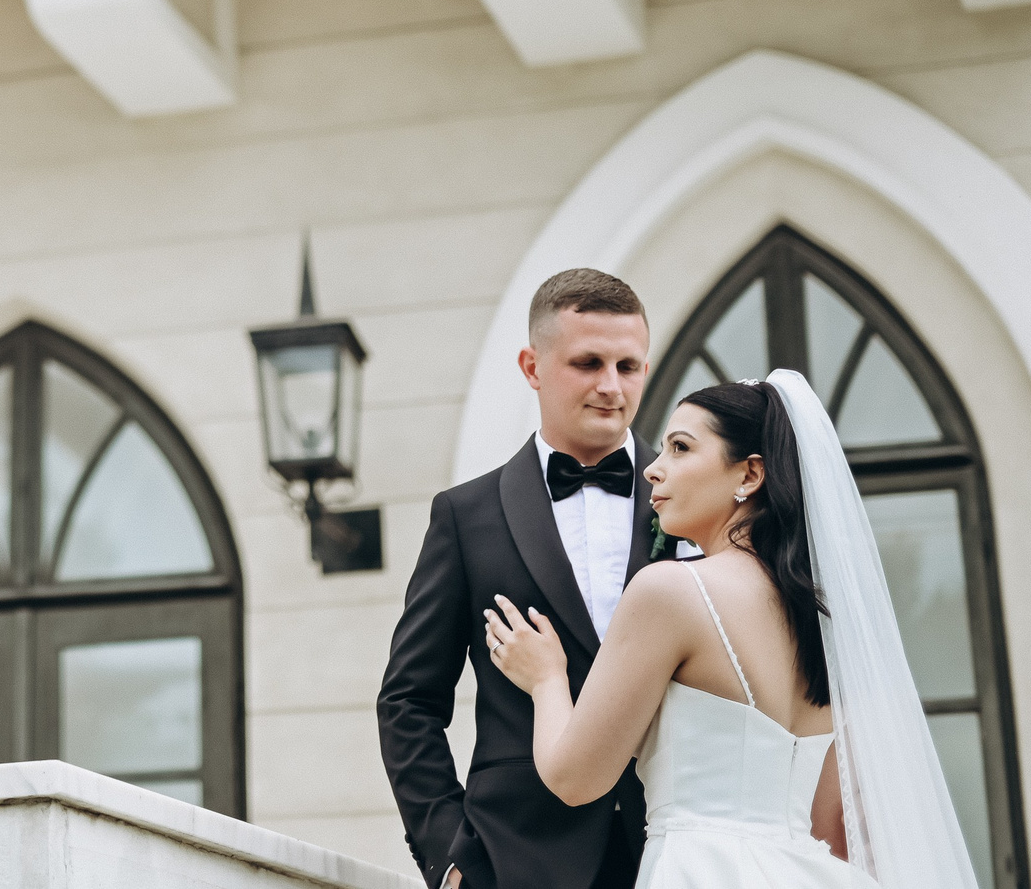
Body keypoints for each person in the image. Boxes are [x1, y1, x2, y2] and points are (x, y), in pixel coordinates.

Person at [482, 371, 983, 889]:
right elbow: (831, 816)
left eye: (680, 447)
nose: (653, 469)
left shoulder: (670, 592)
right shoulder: (825, 621)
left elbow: (574, 779)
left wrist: (546, 679)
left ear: (749, 475)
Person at [379, 268, 661, 889]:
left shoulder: (696, 505)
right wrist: (448, 858)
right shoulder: (466, 517)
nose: (611, 387)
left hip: (673, 848)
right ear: (532, 366)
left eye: (629, 366)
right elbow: (409, 702)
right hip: (518, 861)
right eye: (588, 363)